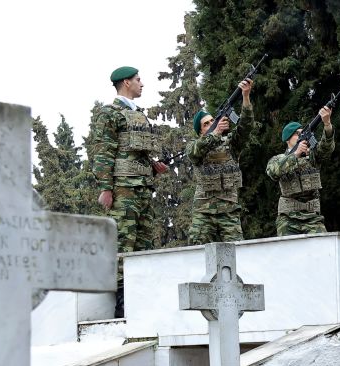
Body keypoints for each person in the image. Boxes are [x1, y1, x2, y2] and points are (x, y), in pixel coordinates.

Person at [90, 66, 168, 317]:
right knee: (123, 243)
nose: (142, 83)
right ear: (126, 83)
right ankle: (121, 305)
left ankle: (142, 300)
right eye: (138, 80)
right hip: (123, 190)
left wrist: (152, 166)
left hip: (143, 188)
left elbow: (136, 151)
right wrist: (105, 188)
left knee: (144, 244)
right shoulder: (109, 113)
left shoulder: (139, 115)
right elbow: (103, 152)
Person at [185, 79, 254, 244]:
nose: (210, 124)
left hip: (229, 210)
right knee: (197, 252)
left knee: (237, 252)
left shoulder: (231, 144)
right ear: (201, 131)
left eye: (211, 121)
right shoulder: (195, 146)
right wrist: (214, 133)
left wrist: (245, 97)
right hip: (204, 211)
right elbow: (196, 152)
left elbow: (246, 127)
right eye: (206, 124)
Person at [265, 107, 334, 236]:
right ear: (288, 139)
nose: (301, 136)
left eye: (302, 133)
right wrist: (296, 155)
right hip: (288, 218)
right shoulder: (278, 159)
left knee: (322, 248)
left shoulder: (313, 156)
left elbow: (326, 148)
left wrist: (327, 123)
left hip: (312, 217)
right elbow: (273, 172)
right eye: (297, 134)